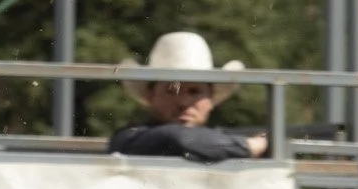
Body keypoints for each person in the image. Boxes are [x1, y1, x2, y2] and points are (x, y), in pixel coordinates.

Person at [106, 32, 267, 163]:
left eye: (194, 91)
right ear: (151, 95)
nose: (183, 102)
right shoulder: (128, 138)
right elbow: (177, 137)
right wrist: (251, 146)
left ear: (210, 98)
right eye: (171, 90)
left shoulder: (221, 140)